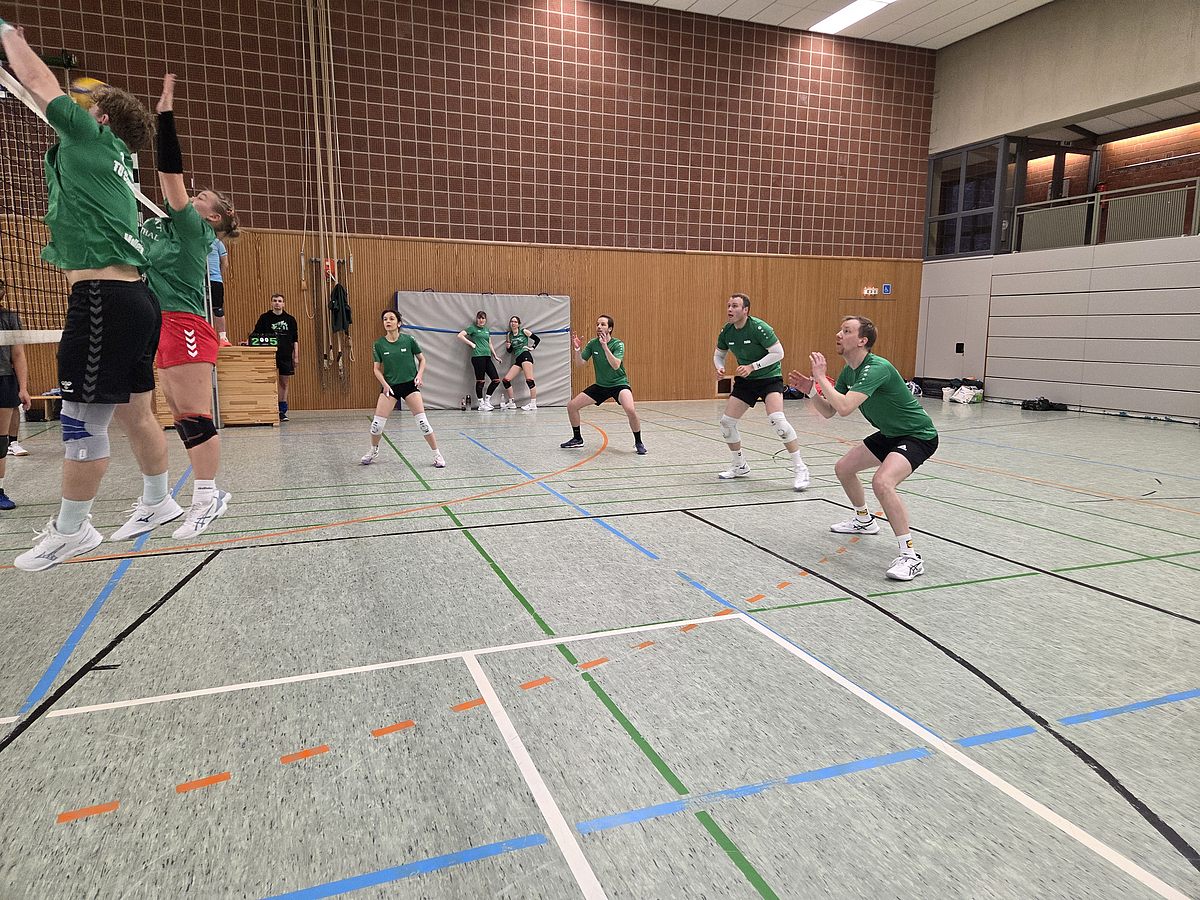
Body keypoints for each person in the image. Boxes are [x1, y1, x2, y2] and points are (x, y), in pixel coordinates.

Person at [3, 20, 182, 571]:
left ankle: (72, 530)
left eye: (88, 105)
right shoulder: (118, 161)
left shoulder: (90, 139)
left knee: (81, 420)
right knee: (136, 412)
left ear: (100, 119)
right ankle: (159, 501)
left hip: (103, 299)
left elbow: (38, 81)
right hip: (136, 300)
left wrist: (8, 35)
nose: (77, 107)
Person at [137, 74, 236, 539]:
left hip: (186, 322)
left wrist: (165, 118)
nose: (192, 197)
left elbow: (170, 173)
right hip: (158, 323)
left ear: (212, 217)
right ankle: (162, 501)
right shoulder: (159, 226)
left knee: (195, 414)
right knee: (178, 415)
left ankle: (207, 496)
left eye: (201, 199)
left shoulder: (195, 230)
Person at [788, 315, 939, 582]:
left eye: (846, 331)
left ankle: (910, 557)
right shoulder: (849, 372)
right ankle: (864, 520)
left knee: (882, 482)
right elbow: (830, 411)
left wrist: (820, 377)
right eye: (840, 329)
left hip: (918, 435)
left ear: (862, 340)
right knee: (844, 468)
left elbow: (846, 407)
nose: (839, 334)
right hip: (890, 434)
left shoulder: (877, 368)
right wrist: (811, 390)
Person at [713, 293, 809, 490]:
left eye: (735, 306)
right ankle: (739, 465)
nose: (730, 309)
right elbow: (719, 354)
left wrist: (752, 366)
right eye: (729, 305)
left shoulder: (759, 328)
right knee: (726, 423)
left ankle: (800, 468)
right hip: (746, 381)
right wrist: (719, 367)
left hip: (769, 378)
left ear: (745, 310)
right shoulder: (727, 331)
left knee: (778, 421)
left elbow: (778, 353)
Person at [360, 310, 445, 468]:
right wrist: (385, 384)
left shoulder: (409, 340)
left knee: (423, 423)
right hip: (390, 387)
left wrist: (419, 375)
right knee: (376, 425)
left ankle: (437, 454)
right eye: (385, 319)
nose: (388, 321)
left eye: (392, 319)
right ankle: (373, 450)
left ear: (398, 323)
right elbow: (376, 369)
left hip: (409, 386)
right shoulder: (378, 344)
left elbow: (422, 359)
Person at [561, 315, 645, 454]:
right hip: (601, 385)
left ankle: (638, 442)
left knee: (630, 410)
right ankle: (577, 439)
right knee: (572, 406)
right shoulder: (592, 344)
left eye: (603, 324)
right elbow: (580, 364)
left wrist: (605, 347)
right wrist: (577, 350)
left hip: (619, 384)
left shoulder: (618, 344)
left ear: (610, 328)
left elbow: (616, 365)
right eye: (597, 324)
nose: (599, 326)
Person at [0, 279, 32, 510]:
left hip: (3, 379)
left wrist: (23, 388)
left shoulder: (9, 318)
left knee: (0, 440)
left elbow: (18, 354)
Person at [252, 293, 298, 421]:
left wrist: (296, 356)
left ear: (283, 304)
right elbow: (255, 334)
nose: (277, 303)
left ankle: (282, 410)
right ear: (271, 303)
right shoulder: (264, 318)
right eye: (275, 300)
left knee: (284, 382)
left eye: (280, 301)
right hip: (269, 355)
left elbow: (295, 340)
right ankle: (269, 409)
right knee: (269, 381)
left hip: (285, 354)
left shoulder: (290, 320)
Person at [457, 310, 502, 410]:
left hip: (487, 357)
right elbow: (460, 335)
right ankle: (481, 404)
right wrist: (471, 344)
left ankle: (487, 401)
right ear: (477, 319)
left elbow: (490, 343)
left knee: (496, 380)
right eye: (479, 318)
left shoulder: (486, 330)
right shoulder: (472, 328)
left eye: (483, 318)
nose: (481, 320)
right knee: (481, 381)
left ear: (485, 320)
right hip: (478, 357)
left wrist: (495, 355)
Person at [500, 315, 540, 411]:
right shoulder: (509, 335)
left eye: (515, 322)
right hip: (518, 359)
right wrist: (508, 347)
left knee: (529, 380)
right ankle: (511, 403)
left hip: (525, 355)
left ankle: (533, 404)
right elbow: (510, 351)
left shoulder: (523, 331)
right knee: (506, 380)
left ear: (518, 324)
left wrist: (532, 348)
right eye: (512, 322)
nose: (513, 323)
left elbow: (537, 339)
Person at [207, 236, 230, 345]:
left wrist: (218, 275)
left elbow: (224, 262)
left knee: (218, 308)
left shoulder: (217, 243)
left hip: (214, 279)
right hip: (200, 280)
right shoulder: (196, 240)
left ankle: (223, 337)